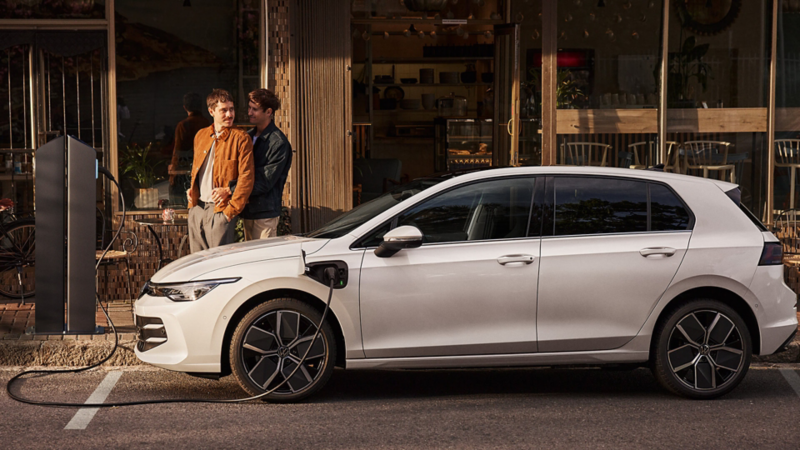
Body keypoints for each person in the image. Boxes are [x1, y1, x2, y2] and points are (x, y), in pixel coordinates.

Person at [186, 89, 254, 253]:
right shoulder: (201, 136)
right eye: (224, 110)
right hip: (197, 208)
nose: (229, 114)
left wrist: (229, 213)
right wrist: (192, 191)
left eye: (231, 109)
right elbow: (197, 169)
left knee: (219, 265)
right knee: (197, 263)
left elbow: (247, 178)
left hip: (220, 210)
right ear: (211, 111)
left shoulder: (241, 138)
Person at [236, 88, 293, 240]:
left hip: (265, 212)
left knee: (263, 258)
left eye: (254, 109)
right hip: (248, 209)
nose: (249, 113)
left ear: (269, 112)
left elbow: (265, 181)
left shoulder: (278, 143)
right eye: (249, 108)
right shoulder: (247, 137)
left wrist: (233, 190)